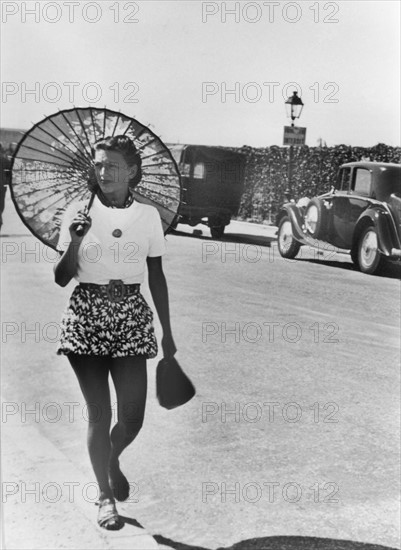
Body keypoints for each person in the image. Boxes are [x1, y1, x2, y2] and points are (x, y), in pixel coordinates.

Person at [54, 135, 177, 530]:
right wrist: (74, 239)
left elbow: (156, 273)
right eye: (99, 165)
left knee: (133, 417)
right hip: (86, 316)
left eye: (112, 166)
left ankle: (110, 459)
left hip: (131, 316)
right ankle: (105, 498)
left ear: (132, 172)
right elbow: (60, 278)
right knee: (99, 413)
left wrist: (168, 331)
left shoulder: (148, 216)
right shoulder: (78, 211)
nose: (103, 172)